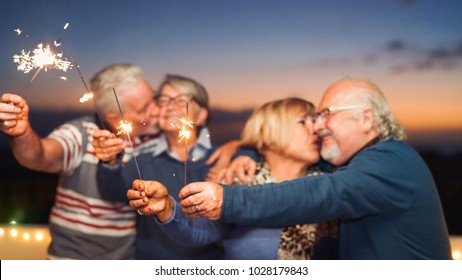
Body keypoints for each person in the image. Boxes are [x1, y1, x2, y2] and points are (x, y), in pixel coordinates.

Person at [176, 76, 452, 260]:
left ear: (366, 119)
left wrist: (227, 199)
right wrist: (244, 148)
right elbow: (275, 148)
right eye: (311, 119)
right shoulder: (352, 162)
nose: (318, 126)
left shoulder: (389, 162)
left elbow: (323, 192)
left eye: (325, 114)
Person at [127, 97, 339, 259]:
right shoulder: (239, 183)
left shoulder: (332, 184)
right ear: (270, 136)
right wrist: (167, 208)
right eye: (304, 121)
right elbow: (200, 231)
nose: (317, 130)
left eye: (315, 120)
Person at [0, 63, 160, 259]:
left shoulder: (149, 141)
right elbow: (39, 156)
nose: (157, 110)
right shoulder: (80, 135)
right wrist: (22, 133)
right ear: (116, 118)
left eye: (154, 99)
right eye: (145, 108)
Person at [94, 74, 236, 259]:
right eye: (164, 100)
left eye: (181, 100)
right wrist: (109, 161)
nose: (169, 106)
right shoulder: (142, 159)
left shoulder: (224, 160)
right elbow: (113, 193)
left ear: (201, 115)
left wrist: (239, 146)